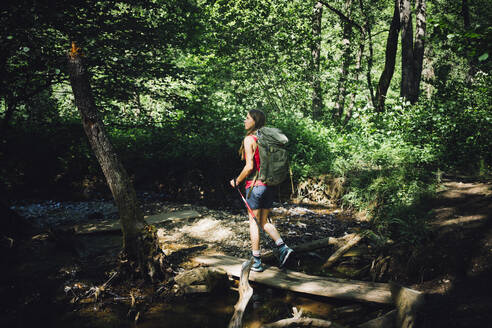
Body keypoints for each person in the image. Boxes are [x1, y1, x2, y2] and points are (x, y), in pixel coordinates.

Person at [229, 109, 293, 272]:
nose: (245, 121)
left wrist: (237, 180)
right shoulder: (266, 140)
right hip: (269, 186)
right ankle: (283, 247)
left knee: (254, 223)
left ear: (255, 121)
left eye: (248, 118)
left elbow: (249, 166)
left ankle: (256, 262)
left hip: (255, 186)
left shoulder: (249, 139)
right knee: (264, 221)